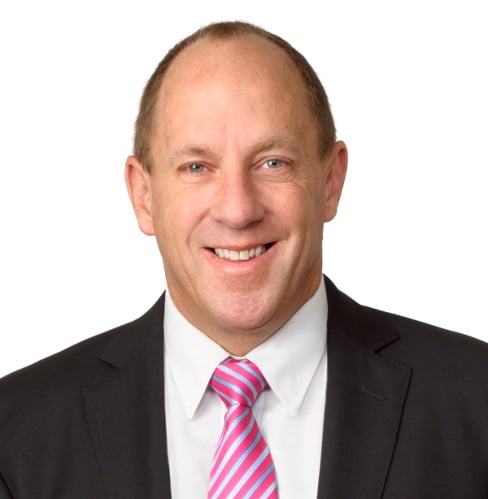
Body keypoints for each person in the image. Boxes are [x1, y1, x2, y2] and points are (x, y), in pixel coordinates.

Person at [0, 21, 487, 499]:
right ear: (144, 196)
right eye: (196, 166)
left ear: (330, 182)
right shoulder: (16, 435)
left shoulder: (475, 401)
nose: (237, 210)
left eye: (273, 162)